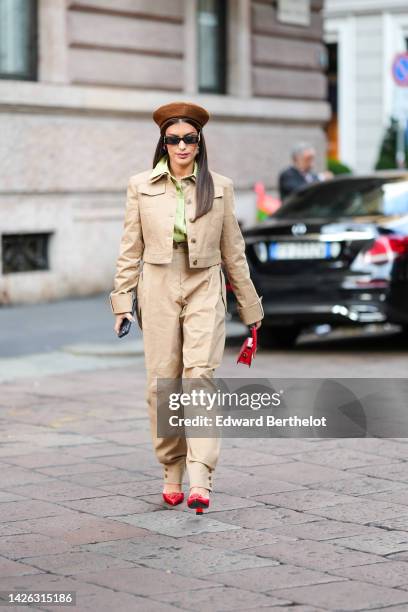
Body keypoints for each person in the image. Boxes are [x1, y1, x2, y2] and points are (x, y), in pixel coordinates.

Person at [109, 101, 263, 513]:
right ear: (163, 142)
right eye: (173, 139)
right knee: (163, 383)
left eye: (189, 138)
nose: (181, 146)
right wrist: (122, 301)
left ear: (199, 142)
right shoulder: (140, 185)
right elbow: (130, 248)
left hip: (204, 283)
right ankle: (171, 470)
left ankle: (200, 476)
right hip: (157, 282)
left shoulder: (221, 187)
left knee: (200, 377)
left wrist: (251, 311)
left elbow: (234, 252)